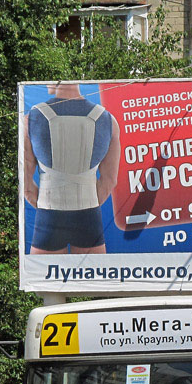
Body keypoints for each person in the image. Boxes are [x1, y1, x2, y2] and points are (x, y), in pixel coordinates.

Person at [23, 82, 121, 255]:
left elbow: (26, 183)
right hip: (89, 217)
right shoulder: (108, 120)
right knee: (92, 280)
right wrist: (85, 203)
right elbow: (109, 180)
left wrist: (46, 205)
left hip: (48, 217)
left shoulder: (31, 119)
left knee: (45, 280)